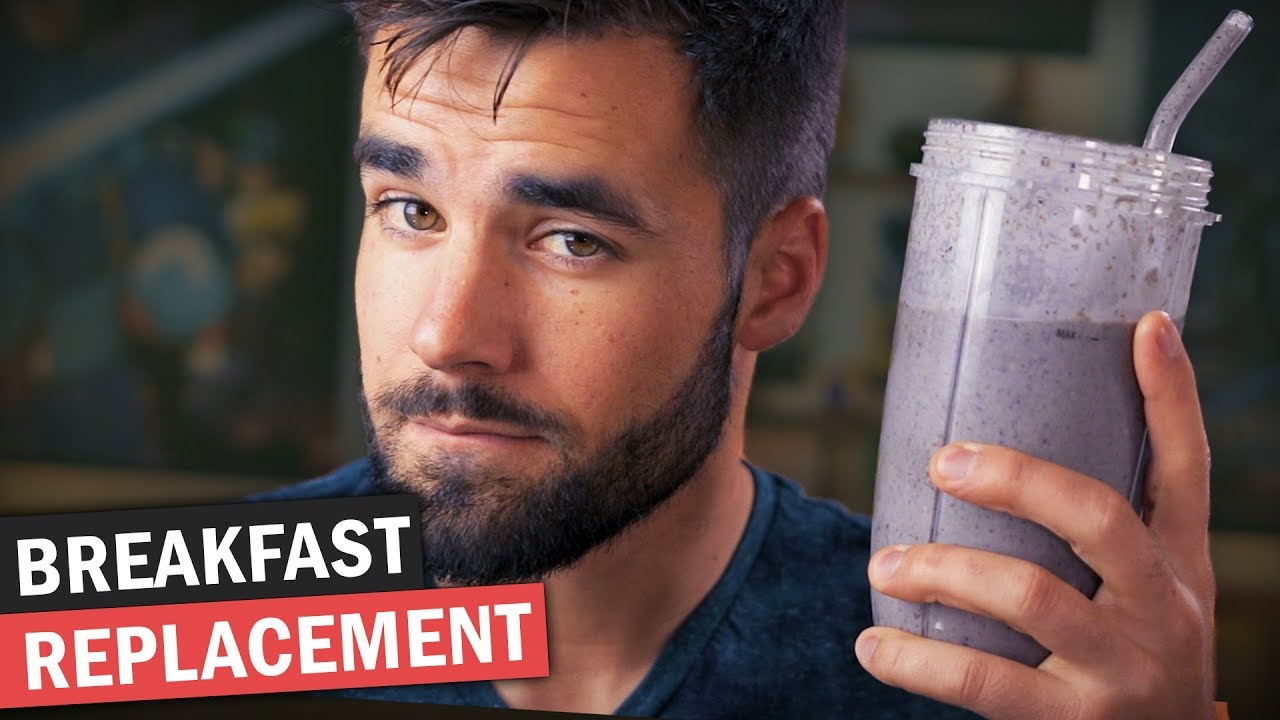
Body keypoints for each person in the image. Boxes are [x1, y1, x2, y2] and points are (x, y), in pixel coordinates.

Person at [257, 1, 1219, 717]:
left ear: (776, 280)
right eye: (410, 210)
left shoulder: (977, 683)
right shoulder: (212, 619)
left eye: (573, 240)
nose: (446, 336)